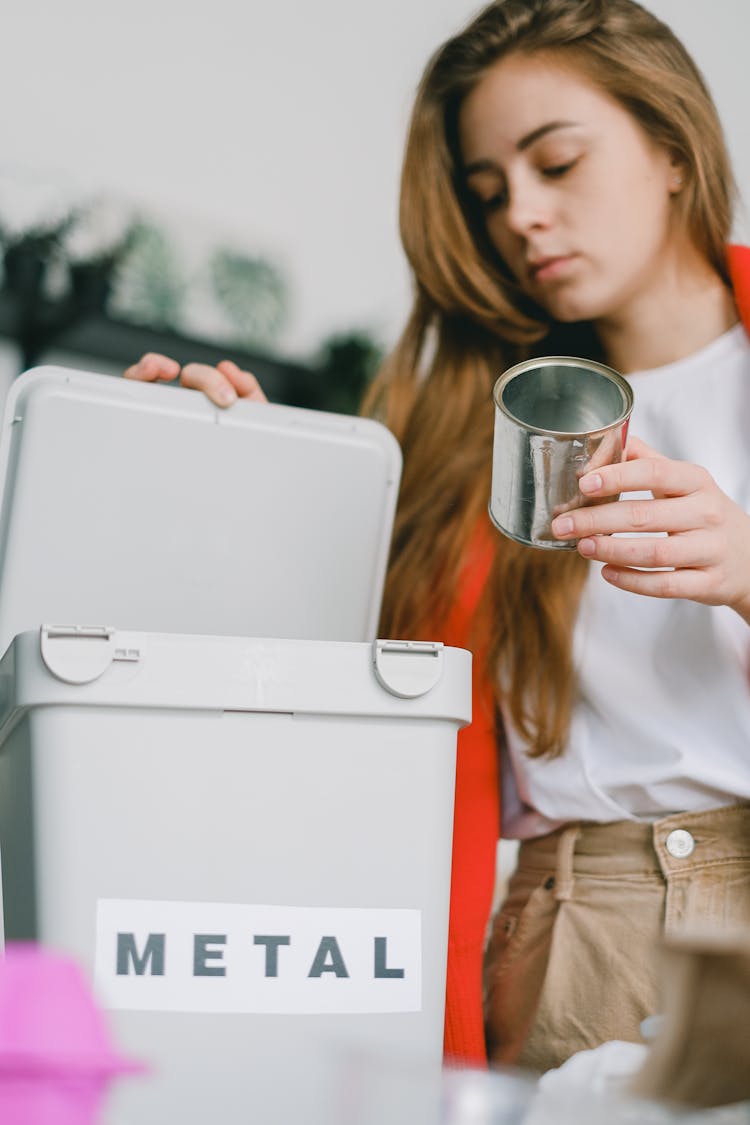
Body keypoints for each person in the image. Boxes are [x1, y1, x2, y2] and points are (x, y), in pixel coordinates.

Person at [125, 0, 750, 1076]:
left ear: (673, 150)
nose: (523, 218)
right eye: (488, 190)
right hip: (571, 933)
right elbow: (335, 714)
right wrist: (210, 484)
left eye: (558, 163)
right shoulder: (459, 429)